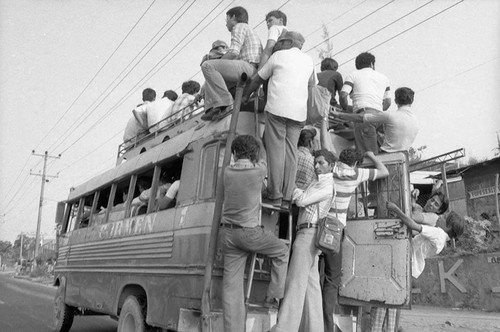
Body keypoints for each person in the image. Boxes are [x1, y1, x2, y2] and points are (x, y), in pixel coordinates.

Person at [220, 135, 289, 332]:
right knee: (282, 250)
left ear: (234, 154)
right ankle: (273, 295)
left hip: (228, 234)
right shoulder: (259, 171)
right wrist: (262, 139)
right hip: (250, 234)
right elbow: (266, 157)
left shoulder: (227, 172)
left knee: (231, 289)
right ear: (254, 155)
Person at [321, 146, 390, 332]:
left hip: (317, 224)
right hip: (336, 229)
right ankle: (326, 326)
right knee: (332, 279)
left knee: (314, 274)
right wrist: (372, 156)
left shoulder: (330, 168)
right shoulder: (357, 173)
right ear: (356, 163)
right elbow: (385, 171)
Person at [243, 31, 314, 210]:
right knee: (291, 152)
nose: (278, 45)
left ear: (288, 42)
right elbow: (311, 85)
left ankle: (275, 193)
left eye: (280, 42)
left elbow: (257, 79)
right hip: (299, 113)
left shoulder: (278, 56)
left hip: (277, 109)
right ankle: (287, 195)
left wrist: (245, 96)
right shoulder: (309, 60)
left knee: (276, 151)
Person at [272, 149, 337, 332]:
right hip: (309, 233)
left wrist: (292, 187)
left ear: (331, 166)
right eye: (316, 163)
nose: (317, 166)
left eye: (321, 163)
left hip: (308, 233)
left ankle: (284, 328)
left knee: (295, 283)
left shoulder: (325, 185)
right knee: (311, 287)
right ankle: (314, 328)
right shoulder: (317, 183)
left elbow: (301, 201)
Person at [378, 205, 464, 332]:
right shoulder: (442, 241)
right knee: (395, 301)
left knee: (390, 299)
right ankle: (390, 328)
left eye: (444, 217)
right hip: (413, 267)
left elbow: (413, 225)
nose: (440, 217)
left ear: (449, 225)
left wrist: (395, 209)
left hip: (407, 264)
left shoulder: (438, 233)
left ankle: (387, 328)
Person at [200, 6, 262, 121]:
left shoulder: (238, 27)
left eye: (226, 19)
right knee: (210, 80)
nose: (226, 24)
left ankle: (226, 103)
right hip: (250, 69)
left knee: (207, 65)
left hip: (248, 67)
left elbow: (233, 52)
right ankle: (213, 109)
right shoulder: (249, 30)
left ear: (233, 17)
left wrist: (216, 62)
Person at [332, 87, 418, 153]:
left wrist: (339, 115)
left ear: (395, 100)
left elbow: (362, 118)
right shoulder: (415, 120)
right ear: (412, 101)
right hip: (403, 155)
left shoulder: (390, 115)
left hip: (387, 154)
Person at [339, 52, 391, 154]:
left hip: (363, 117)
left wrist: (344, 107)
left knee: (366, 156)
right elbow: (388, 102)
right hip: (381, 117)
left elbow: (343, 95)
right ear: (372, 64)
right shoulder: (384, 78)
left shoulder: (353, 75)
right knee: (381, 154)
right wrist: (376, 110)